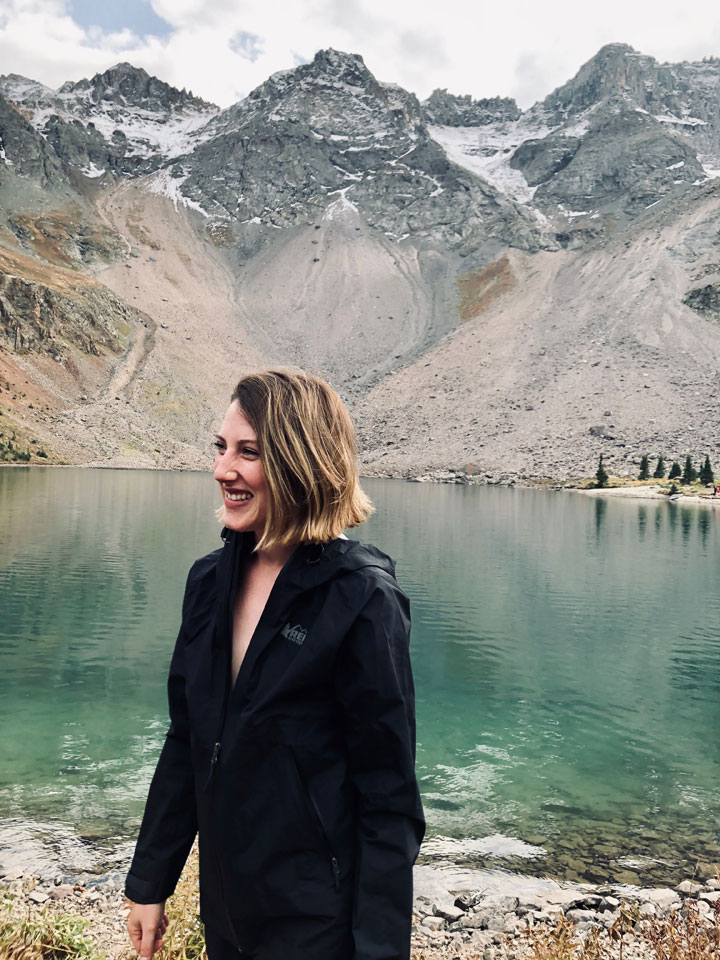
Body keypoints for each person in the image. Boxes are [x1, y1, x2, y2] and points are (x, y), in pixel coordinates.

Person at [124, 368, 425, 960]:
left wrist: (379, 950)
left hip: (316, 925)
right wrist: (150, 883)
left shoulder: (361, 598)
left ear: (300, 462)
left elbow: (389, 800)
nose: (222, 470)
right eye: (220, 447)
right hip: (227, 915)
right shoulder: (208, 583)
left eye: (249, 453)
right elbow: (187, 741)